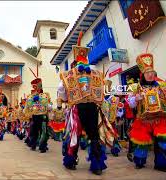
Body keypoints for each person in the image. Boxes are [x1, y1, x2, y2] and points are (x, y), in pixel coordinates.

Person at [58, 32, 115, 175]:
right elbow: (102, 91)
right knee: (94, 134)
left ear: (76, 60)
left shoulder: (69, 74)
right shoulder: (95, 73)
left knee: (75, 134)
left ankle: (71, 161)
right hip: (92, 107)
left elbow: (62, 91)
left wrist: (66, 97)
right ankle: (97, 165)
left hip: (78, 107)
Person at [127, 53, 166, 171]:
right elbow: (130, 103)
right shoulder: (135, 87)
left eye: (152, 73)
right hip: (143, 119)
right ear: (143, 74)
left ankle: (161, 164)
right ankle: (139, 162)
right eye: (147, 73)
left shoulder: (162, 85)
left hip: (159, 118)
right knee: (142, 142)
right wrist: (136, 98)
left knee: (162, 142)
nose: (150, 75)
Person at [24, 67, 52, 153]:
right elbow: (28, 106)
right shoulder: (30, 97)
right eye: (34, 87)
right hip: (35, 116)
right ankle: (33, 145)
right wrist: (32, 100)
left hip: (43, 116)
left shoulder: (45, 95)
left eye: (37, 86)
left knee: (44, 132)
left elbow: (49, 106)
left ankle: (43, 146)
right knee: (34, 131)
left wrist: (41, 99)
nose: (36, 88)